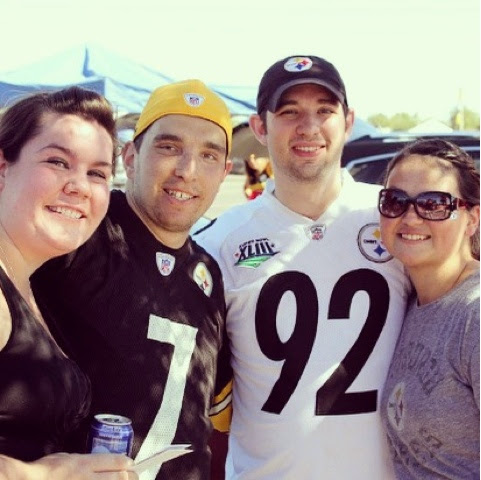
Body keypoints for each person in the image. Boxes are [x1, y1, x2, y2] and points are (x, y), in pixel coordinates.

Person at [194, 55, 411, 479]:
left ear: (348, 122)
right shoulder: (218, 243)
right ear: (259, 127)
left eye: (324, 111)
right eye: (289, 112)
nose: (308, 127)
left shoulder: (398, 219)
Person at [31, 79, 233, 480]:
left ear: (225, 171)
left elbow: (212, 415)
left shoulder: (209, 271)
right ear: (130, 156)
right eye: (169, 147)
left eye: (208, 155)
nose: (187, 171)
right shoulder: (82, 231)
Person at [0, 87, 135, 478]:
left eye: (97, 173)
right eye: (58, 162)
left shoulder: (35, 288)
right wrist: (44, 475)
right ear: (3, 168)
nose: (79, 186)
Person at [378, 138, 480, 479]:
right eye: (395, 201)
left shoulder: (474, 315)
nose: (411, 217)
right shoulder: (407, 301)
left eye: (434, 204)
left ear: (472, 219)